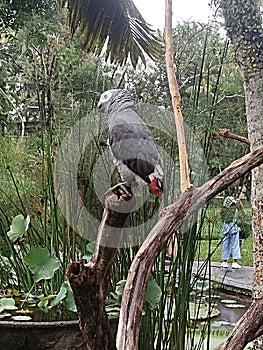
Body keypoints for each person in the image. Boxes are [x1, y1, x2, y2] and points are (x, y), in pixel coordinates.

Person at [220, 196, 241, 269]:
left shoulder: (223, 211)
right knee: (235, 244)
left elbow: (222, 219)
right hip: (234, 229)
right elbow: (238, 217)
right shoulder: (235, 210)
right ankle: (234, 262)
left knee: (225, 244)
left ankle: (224, 261)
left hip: (225, 229)